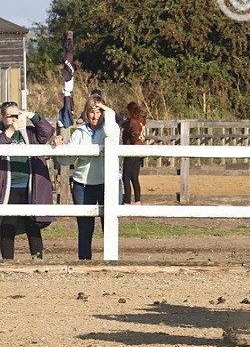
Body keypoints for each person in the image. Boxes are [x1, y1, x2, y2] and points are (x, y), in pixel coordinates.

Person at [0, 102, 65, 260]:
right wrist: (10, 131)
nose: (15, 119)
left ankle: (37, 259)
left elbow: (47, 132)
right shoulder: (2, 134)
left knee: (33, 225)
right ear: (2, 118)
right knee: (7, 226)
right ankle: (8, 262)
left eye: (17, 115)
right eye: (10, 116)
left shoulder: (29, 133)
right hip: (9, 187)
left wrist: (30, 115)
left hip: (30, 186)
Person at [64, 95, 118, 260]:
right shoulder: (79, 132)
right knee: (85, 227)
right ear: (86, 113)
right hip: (83, 184)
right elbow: (66, 160)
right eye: (92, 112)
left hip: (106, 183)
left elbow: (111, 135)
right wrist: (59, 146)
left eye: (99, 112)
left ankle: (110, 260)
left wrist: (110, 113)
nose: (95, 116)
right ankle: (84, 261)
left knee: (108, 225)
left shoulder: (111, 127)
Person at [121, 102, 147, 205]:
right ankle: (137, 200)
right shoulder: (142, 121)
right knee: (134, 177)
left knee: (126, 177)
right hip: (141, 150)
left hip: (132, 150)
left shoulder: (132, 122)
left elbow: (132, 135)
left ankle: (127, 201)